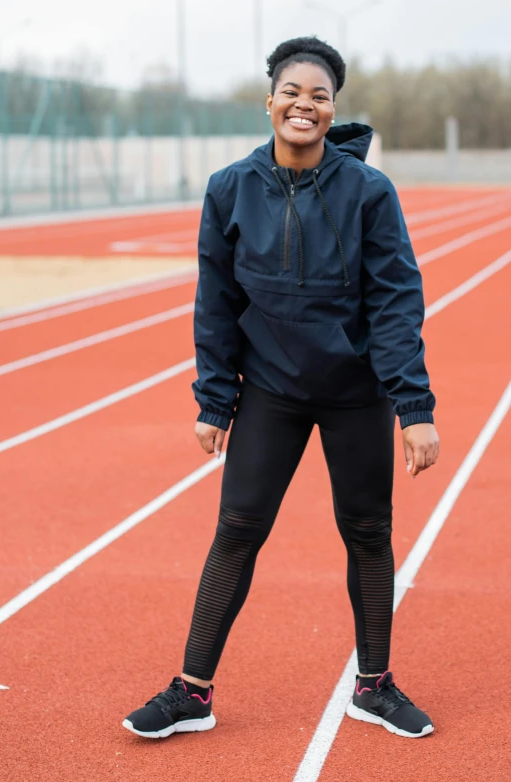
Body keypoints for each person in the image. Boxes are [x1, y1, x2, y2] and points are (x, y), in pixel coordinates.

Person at [123, 36, 439, 741]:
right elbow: (216, 301)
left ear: (334, 110)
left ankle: (375, 686)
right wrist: (214, 399)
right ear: (270, 101)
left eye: (320, 95)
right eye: (293, 92)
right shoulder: (231, 188)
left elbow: (396, 300)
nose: (306, 104)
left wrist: (413, 407)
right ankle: (193, 692)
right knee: (236, 531)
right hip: (270, 388)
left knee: (368, 533)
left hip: (357, 391)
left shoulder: (369, 192)